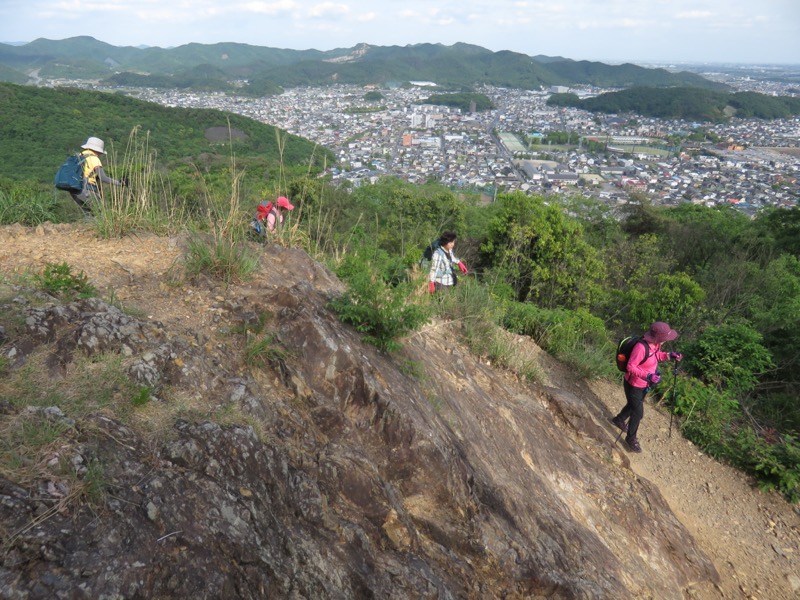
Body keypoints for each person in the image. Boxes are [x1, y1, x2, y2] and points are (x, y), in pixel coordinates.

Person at [611, 321, 683, 453]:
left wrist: (669, 356)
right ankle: (631, 438)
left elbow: (656, 357)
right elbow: (630, 367)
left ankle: (619, 419)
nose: (666, 341)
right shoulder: (640, 347)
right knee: (638, 413)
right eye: (665, 338)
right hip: (634, 384)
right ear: (658, 337)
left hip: (644, 384)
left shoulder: (655, 345)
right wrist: (648, 376)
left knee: (634, 404)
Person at [70, 137, 124, 215]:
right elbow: (103, 177)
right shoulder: (94, 159)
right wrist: (119, 183)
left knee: (89, 215)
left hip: (75, 191)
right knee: (99, 214)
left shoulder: (79, 156)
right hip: (87, 190)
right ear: (97, 150)